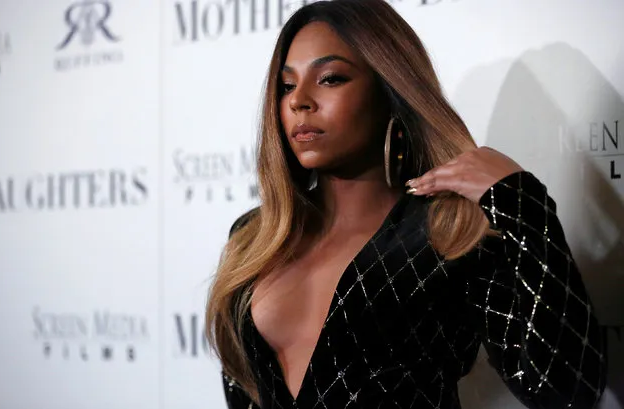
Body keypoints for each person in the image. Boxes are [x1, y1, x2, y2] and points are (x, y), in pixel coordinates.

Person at [205, 1, 608, 408]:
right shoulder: (255, 239)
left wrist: (522, 204)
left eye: (330, 78)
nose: (299, 102)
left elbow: (567, 390)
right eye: (287, 86)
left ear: (391, 90)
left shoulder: (451, 234)